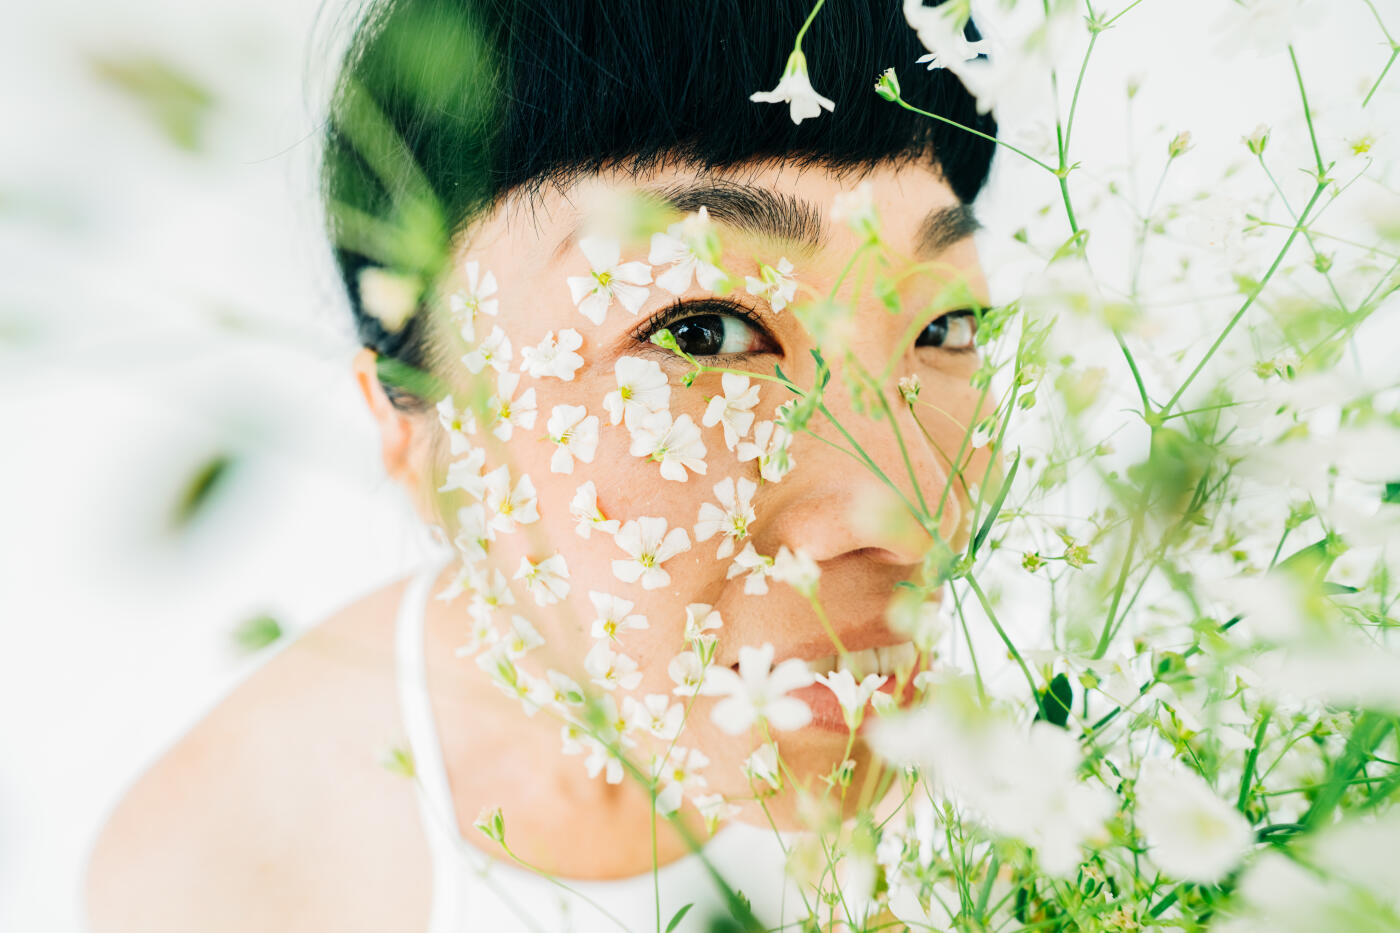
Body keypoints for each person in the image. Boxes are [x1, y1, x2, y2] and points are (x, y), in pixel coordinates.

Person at [84, 0, 998, 929]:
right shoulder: (225, 876)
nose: (909, 511)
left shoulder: (1056, 758)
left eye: (944, 326)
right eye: (702, 331)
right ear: (416, 429)